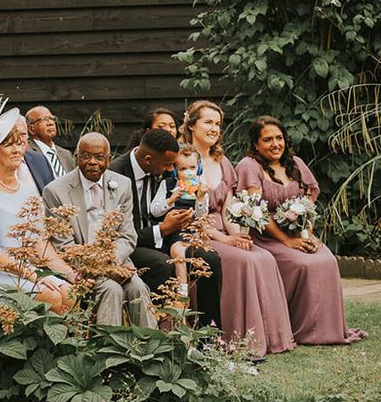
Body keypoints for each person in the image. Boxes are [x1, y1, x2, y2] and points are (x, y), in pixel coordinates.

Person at [236, 115, 366, 346]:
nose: (276, 144)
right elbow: (256, 211)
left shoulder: (295, 163)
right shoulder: (250, 166)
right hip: (267, 238)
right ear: (256, 144)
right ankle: (302, 330)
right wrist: (287, 240)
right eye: (268, 140)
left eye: (279, 138)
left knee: (326, 260)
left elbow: (308, 204)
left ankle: (328, 329)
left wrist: (307, 234)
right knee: (305, 264)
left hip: (297, 234)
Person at [182, 101, 295, 358]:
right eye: (208, 122)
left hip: (224, 231)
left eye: (218, 124)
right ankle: (236, 339)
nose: (214, 128)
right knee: (245, 262)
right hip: (198, 233)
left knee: (263, 257)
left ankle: (271, 337)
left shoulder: (222, 162)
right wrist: (224, 238)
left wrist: (236, 234)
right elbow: (189, 214)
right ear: (191, 125)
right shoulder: (184, 161)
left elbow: (227, 208)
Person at [0, 106, 75, 313]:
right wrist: (35, 277)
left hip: (24, 271)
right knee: (51, 297)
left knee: (72, 294)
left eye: (19, 144)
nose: (17, 150)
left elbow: (40, 244)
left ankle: (62, 346)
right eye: (9, 146)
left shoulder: (29, 193)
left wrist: (69, 273)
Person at [110, 128, 222, 329]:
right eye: (169, 165)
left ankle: (209, 338)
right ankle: (162, 335)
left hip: (165, 237)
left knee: (209, 259)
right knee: (162, 264)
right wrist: (163, 229)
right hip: (131, 244)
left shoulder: (157, 167)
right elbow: (123, 233)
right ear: (148, 160)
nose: (172, 170)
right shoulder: (117, 174)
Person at [42, 132, 156, 328]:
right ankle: (108, 351)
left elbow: (127, 235)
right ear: (77, 157)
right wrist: (103, 269)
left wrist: (112, 263)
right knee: (112, 289)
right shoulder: (56, 191)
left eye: (99, 157)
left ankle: (152, 350)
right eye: (85, 156)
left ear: (109, 159)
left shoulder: (121, 185)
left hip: (118, 261)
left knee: (137, 287)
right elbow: (64, 246)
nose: (92, 162)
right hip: (80, 267)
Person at [149, 143, 210, 300]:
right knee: (176, 251)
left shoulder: (200, 188)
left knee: (178, 250)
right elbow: (154, 210)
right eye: (183, 169)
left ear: (199, 168)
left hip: (190, 231)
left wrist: (201, 197)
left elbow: (202, 215)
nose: (189, 172)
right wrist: (170, 200)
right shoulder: (167, 185)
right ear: (175, 170)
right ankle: (181, 295)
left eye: (192, 168)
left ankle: (182, 295)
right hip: (169, 230)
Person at [0, 115, 55, 194]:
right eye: (10, 141)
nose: (19, 140)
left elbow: (51, 195)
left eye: (23, 134)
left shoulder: (39, 159)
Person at [25, 105, 75, 178]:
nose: (50, 123)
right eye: (44, 119)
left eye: (52, 118)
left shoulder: (66, 154)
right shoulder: (27, 153)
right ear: (31, 129)